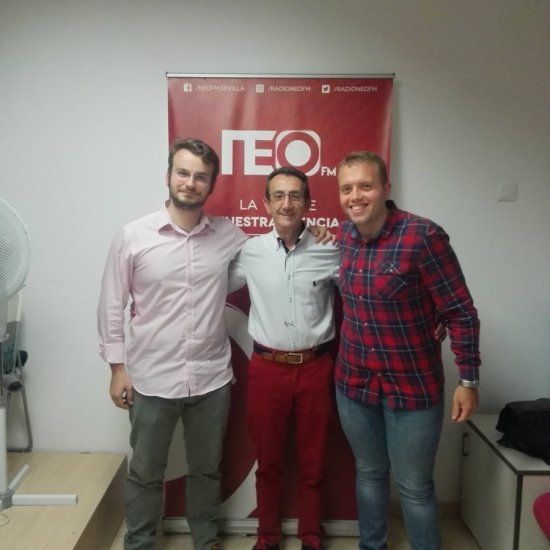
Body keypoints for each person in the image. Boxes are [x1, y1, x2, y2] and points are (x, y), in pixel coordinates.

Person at [97, 138, 248, 550]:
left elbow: (273, 251)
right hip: (150, 378)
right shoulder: (133, 236)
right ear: (168, 176)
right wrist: (116, 368)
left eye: (200, 177)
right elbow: (111, 303)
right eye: (183, 173)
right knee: (146, 472)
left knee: (206, 470)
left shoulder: (229, 235)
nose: (190, 183)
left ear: (211, 184)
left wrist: (314, 233)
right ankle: (140, 543)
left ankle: (206, 541)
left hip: (211, 378)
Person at [334, 151, 481, 550]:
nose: (355, 196)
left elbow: (460, 312)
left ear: (386, 188)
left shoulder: (423, 237)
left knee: (415, 487)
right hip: (355, 385)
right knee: (369, 474)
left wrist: (468, 379)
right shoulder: (343, 236)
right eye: (346, 189)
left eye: (365, 186)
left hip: (413, 388)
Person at [229, 166, 340, 550]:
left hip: (315, 368)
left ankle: (311, 536)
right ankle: (267, 538)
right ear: (266, 204)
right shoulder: (250, 252)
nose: (287, 203)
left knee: (313, 461)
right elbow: (206, 283)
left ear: (308, 203)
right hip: (267, 369)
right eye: (278, 195)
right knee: (269, 462)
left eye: (295, 195)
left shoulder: (330, 249)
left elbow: (366, 290)